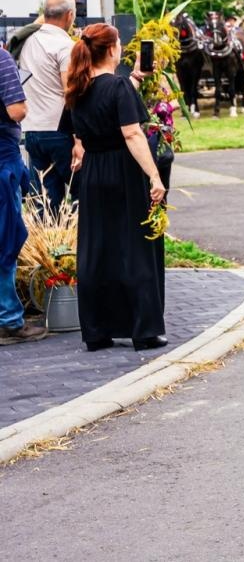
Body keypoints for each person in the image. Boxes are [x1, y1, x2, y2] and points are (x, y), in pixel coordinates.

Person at [65, 24, 167, 351]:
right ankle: (143, 330)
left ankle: (96, 330)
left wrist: (134, 79)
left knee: (96, 249)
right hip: (123, 170)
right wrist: (154, 175)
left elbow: (83, 127)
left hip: (93, 171)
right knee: (134, 247)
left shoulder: (78, 87)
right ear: (111, 50)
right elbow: (132, 134)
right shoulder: (118, 86)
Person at [0, 44, 46, 344]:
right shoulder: (2, 59)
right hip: (2, 158)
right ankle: (9, 320)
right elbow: (16, 109)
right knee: (6, 237)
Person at [17, 0, 76, 208]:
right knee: (79, 191)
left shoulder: (27, 41)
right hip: (60, 130)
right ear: (70, 15)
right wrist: (80, 139)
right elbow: (70, 91)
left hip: (32, 129)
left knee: (46, 198)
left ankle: (48, 240)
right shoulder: (65, 46)